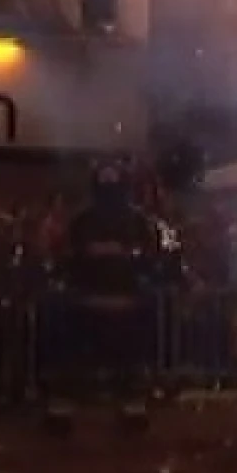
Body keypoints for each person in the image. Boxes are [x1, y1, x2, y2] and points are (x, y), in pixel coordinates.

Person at [44, 160, 165, 431]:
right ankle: (62, 409)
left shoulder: (137, 221)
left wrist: (123, 255)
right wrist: (89, 256)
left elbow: (151, 256)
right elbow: (66, 256)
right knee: (75, 360)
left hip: (123, 302)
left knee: (127, 361)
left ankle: (131, 407)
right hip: (89, 301)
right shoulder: (83, 220)